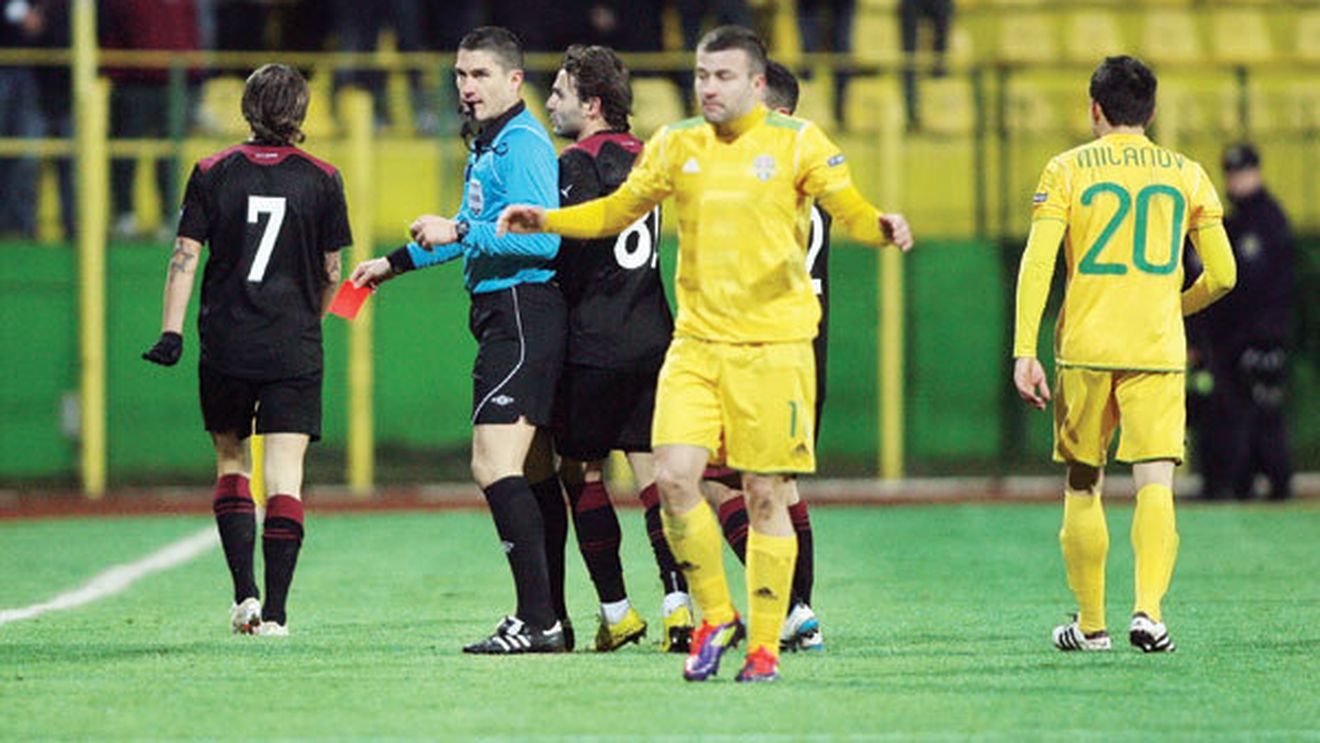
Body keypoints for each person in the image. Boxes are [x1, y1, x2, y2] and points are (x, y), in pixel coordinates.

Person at [500, 26, 912, 682]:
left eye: (721, 76)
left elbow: (847, 207)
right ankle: (716, 614)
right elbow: (614, 211)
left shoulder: (800, 141)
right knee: (674, 476)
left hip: (774, 348)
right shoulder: (676, 143)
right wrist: (546, 219)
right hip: (693, 346)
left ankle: (767, 644)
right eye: (700, 75)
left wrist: (880, 227)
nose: (708, 87)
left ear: (756, 83)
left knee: (765, 492)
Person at [349, 27, 569, 655]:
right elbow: (466, 232)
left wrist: (460, 230)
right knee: (530, 472)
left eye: (478, 75)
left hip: (522, 311)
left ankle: (537, 620)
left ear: (513, 80)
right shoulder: (491, 143)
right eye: (459, 76)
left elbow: (542, 241)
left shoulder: (523, 143)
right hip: (506, 313)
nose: (466, 88)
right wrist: (394, 263)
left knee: (490, 464)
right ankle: (549, 617)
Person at [1012, 55, 1236, 654]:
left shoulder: (1065, 170)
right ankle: (1150, 614)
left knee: (1083, 483)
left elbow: (1038, 263)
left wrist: (1022, 350)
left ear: (1094, 109)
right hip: (1157, 349)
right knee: (1154, 483)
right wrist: (1173, 306)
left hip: (1085, 347)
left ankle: (1091, 627)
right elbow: (1224, 276)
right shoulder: (1187, 173)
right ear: (1152, 111)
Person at [141, 63, 352, 637]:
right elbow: (334, 270)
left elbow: (184, 256)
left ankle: (245, 597)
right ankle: (278, 614)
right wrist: (312, 316)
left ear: (247, 108)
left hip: (228, 342)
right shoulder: (324, 178)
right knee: (285, 477)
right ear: (302, 113)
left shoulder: (212, 171)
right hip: (293, 346)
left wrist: (172, 332)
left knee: (232, 463)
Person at [544, 44, 691, 653]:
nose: (549, 102)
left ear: (593, 104)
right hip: (654, 333)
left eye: (559, 92)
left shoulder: (578, 162)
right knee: (655, 478)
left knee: (580, 472)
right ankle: (680, 607)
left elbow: (574, 250)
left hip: (595, 339)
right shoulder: (652, 155)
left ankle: (617, 611)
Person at [696, 60, 827, 654]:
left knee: (716, 480)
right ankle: (799, 612)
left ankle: (792, 607)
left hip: (761, 352)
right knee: (777, 488)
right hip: (799, 354)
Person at [1191, 143, 1294, 501]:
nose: (1236, 180)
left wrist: (1269, 336)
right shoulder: (1232, 221)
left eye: (1242, 172)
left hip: (1256, 338)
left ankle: (1276, 486)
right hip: (1227, 339)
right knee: (1229, 413)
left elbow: (1276, 286)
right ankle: (1236, 484)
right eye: (1232, 173)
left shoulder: (1268, 220)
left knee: (1258, 413)